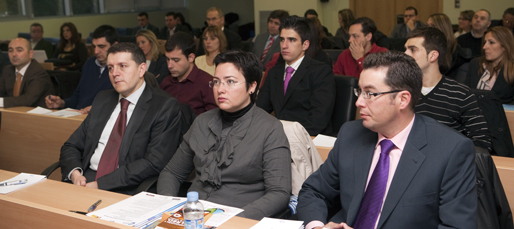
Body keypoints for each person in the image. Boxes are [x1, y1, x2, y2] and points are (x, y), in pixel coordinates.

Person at [297, 51, 477, 229]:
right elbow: (314, 191)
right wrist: (317, 227)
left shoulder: (451, 150)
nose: (358, 102)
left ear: (403, 99)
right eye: (359, 91)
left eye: (370, 93)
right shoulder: (350, 134)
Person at [157, 50, 291, 220]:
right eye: (216, 82)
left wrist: (235, 219)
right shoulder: (202, 121)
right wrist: (170, 206)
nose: (220, 89)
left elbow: (279, 193)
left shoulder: (270, 128)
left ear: (252, 87)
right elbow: (172, 173)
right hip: (193, 215)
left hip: (239, 217)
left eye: (230, 82)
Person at [59, 43, 186, 195]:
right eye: (111, 67)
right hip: (85, 180)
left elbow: (153, 163)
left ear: (141, 69)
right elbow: (71, 145)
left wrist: (100, 185)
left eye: (122, 66)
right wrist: (75, 174)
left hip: (127, 187)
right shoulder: (103, 99)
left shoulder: (163, 106)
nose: (114, 73)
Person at [404, 27, 491, 150]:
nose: (405, 54)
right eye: (406, 49)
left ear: (433, 56)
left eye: (413, 50)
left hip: (447, 164)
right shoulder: (400, 92)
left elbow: (481, 142)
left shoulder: (460, 94)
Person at [256, 16, 335, 136]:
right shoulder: (274, 73)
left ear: (305, 45)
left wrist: (281, 134)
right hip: (278, 139)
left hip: (310, 139)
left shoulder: (321, 72)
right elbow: (259, 111)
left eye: (292, 40)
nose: (284, 45)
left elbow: (317, 120)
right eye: (282, 39)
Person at [160, 32, 217, 116]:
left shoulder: (206, 83)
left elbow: (214, 120)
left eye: (176, 60)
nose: (169, 66)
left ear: (191, 58)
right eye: (168, 59)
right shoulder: (166, 82)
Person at [465, 26, 514, 104]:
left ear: (505, 46)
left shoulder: (511, 70)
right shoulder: (475, 63)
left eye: (491, 42)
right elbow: (465, 93)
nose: (484, 47)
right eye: (485, 42)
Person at [0, 38, 53, 108]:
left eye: (19, 50)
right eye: (10, 50)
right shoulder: (7, 70)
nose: (14, 54)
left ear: (30, 54)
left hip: (36, 116)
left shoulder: (38, 72)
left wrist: (1, 102)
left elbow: (28, 100)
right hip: (14, 113)